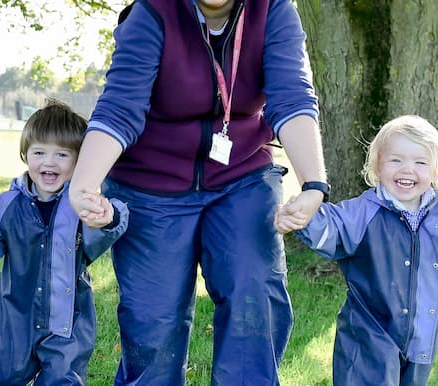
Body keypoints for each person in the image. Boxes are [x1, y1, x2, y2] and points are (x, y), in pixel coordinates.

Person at [67, 0, 329, 383]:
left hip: (241, 175)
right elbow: (120, 107)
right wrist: (84, 184)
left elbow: (291, 97)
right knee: (153, 319)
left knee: (253, 295)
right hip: (150, 182)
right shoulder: (153, 12)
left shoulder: (272, 10)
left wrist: (314, 184)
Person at [275, 115, 438, 385]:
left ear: (434, 170)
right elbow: (332, 225)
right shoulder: (363, 212)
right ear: (377, 166)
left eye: (420, 162)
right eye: (396, 160)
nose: (408, 169)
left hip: (422, 337)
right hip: (369, 335)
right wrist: (303, 215)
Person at [0, 100, 128, 385]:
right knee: (11, 376)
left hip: (67, 320)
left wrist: (109, 217)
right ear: (25, 154)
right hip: (15, 316)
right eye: (39, 152)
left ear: (79, 162)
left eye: (62, 154)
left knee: (63, 377)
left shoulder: (80, 204)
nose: (49, 162)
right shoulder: (9, 204)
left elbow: (103, 232)